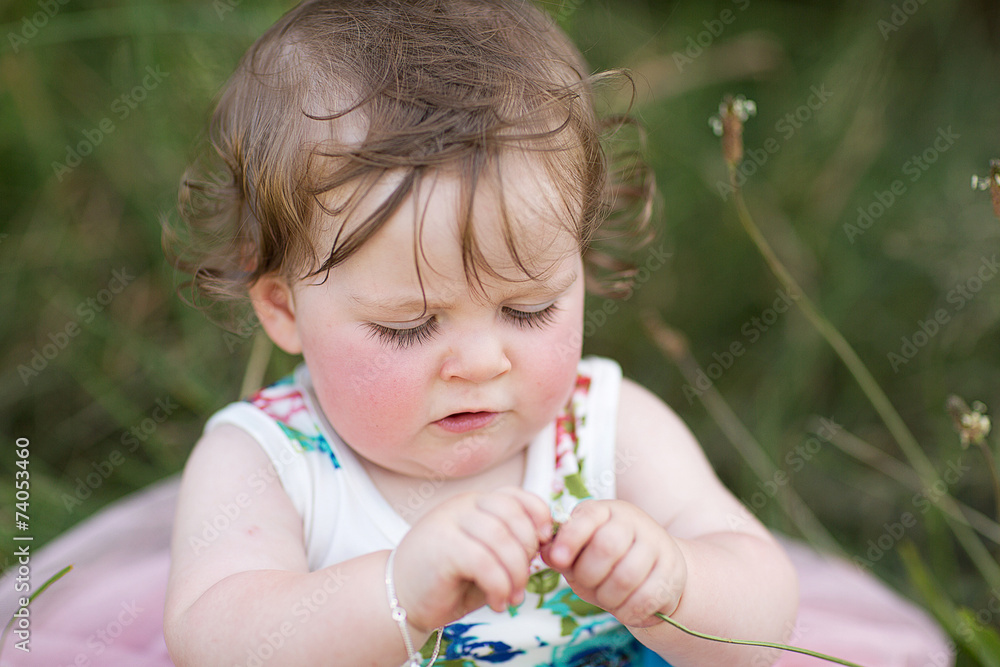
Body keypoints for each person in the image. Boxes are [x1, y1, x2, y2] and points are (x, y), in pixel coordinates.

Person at [0, 1, 953, 666]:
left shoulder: (604, 427)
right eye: (410, 325)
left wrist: (675, 583)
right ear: (284, 308)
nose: (483, 360)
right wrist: (397, 591)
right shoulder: (266, 461)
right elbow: (220, 640)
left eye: (529, 308)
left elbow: (766, 605)